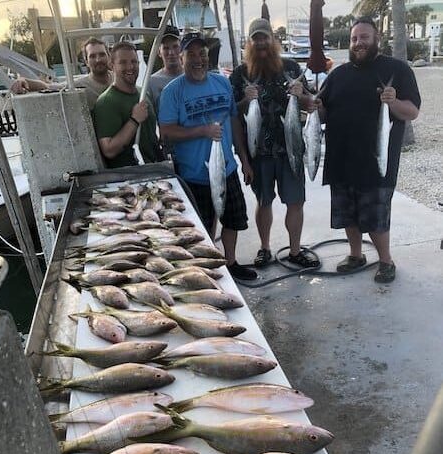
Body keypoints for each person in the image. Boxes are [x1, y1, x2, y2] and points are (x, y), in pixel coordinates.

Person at [318, 17, 421, 283]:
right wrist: (309, 104)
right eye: (354, 38)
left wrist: (393, 100)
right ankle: (356, 255)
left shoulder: (398, 69)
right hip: (340, 159)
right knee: (348, 216)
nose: (358, 43)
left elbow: (412, 111)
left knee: (376, 218)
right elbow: (323, 111)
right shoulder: (338, 74)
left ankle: (386, 261)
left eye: (364, 37)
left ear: (377, 39)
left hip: (376, 160)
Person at [159, 32, 257, 281]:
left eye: (201, 53)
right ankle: (207, 268)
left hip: (226, 168)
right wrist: (202, 131)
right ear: (181, 58)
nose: (197, 59)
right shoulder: (173, 91)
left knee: (233, 219)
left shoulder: (221, 83)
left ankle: (231, 262)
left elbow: (234, 120)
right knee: (200, 228)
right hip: (194, 175)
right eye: (190, 54)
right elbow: (167, 131)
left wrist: (244, 159)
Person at [230, 18, 319, 269]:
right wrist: (244, 159)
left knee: (295, 202)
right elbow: (233, 117)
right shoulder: (239, 75)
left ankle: (294, 250)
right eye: (255, 38)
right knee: (264, 202)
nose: (260, 42)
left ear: (273, 39)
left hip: (291, 149)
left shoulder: (291, 67)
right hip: (259, 152)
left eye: (264, 37)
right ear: (249, 42)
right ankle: (265, 248)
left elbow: (311, 103)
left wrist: (303, 96)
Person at [93, 41, 164, 168]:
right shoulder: (106, 102)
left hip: (155, 170)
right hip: (129, 179)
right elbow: (109, 150)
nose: (130, 67)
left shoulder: (143, 93)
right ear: (112, 65)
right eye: (123, 62)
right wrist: (134, 120)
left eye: (134, 61)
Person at [11, 37, 112, 111]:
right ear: (86, 61)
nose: (98, 60)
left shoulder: (119, 79)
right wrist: (24, 81)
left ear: (109, 56)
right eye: (92, 56)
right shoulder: (79, 85)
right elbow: (48, 87)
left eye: (102, 54)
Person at [148, 25, 183, 114]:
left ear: (181, 48)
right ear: (159, 52)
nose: (171, 52)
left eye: (175, 46)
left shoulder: (193, 75)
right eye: (166, 48)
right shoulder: (152, 82)